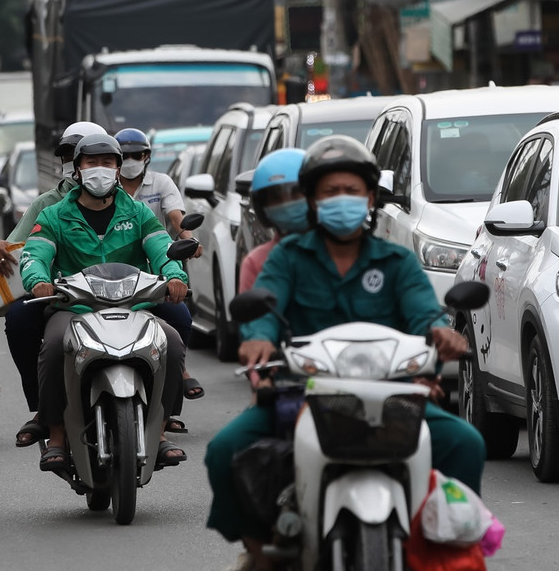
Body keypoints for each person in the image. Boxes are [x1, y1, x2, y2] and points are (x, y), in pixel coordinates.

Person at [204, 136, 485, 568]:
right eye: (330, 192)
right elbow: (266, 302)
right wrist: (257, 337)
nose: (342, 201)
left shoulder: (396, 261)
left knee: (465, 443)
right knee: (224, 450)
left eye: (351, 191)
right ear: (313, 200)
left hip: (392, 397)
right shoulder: (287, 259)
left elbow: (423, 313)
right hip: (300, 394)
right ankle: (260, 548)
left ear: (370, 197)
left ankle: (446, 546)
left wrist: (439, 333)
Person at [19, 132, 189, 472]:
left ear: (118, 168)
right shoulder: (54, 216)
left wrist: (174, 276)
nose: (100, 169)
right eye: (92, 163)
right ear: (78, 169)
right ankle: (55, 436)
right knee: (54, 347)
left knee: (170, 341)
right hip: (74, 308)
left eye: (108, 163)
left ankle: (158, 432)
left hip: (134, 307)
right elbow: (34, 254)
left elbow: (161, 249)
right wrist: (37, 280)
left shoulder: (139, 213)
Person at [0, 121, 104, 447]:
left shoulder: (126, 205)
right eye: (71, 156)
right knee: (19, 320)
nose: (77, 163)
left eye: (84, 155)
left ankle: (159, 419)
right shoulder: (48, 207)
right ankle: (43, 409)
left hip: (120, 295)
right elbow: (23, 251)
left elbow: (153, 245)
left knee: (172, 325)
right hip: (63, 298)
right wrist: (39, 278)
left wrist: (171, 276)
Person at [115, 126, 205, 410]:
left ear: (147, 157)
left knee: (179, 317)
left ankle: (174, 388)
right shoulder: (105, 190)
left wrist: (189, 241)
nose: (130, 160)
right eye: (124, 156)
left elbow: (177, 219)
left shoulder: (161, 183)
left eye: (136, 155)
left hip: (157, 269)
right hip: (111, 273)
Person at [237, 148, 311, 294]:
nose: (287, 204)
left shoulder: (338, 248)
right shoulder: (257, 262)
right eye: (276, 198)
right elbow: (253, 314)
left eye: (295, 194)